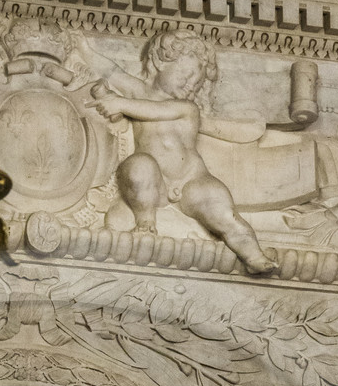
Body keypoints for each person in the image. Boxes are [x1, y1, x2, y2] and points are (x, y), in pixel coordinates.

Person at [91, 27, 280, 274]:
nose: (192, 85)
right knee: (138, 167)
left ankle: (253, 254)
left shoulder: (187, 108)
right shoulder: (140, 93)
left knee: (222, 211)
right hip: (156, 180)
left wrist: (119, 103)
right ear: (160, 62)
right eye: (186, 74)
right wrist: (82, 50)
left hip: (192, 178)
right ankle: (146, 224)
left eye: (198, 81)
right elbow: (111, 71)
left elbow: (157, 111)